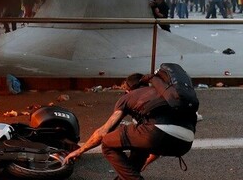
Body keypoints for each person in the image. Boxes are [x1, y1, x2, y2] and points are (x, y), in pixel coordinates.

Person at [64, 73, 197, 180]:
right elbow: (159, 141)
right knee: (139, 145)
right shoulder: (163, 94)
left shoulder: (128, 97)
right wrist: (143, 164)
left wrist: (80, 150)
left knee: (108, 142)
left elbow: (103, 132)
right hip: (185, 143)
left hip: (157, 133)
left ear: (127, 89)